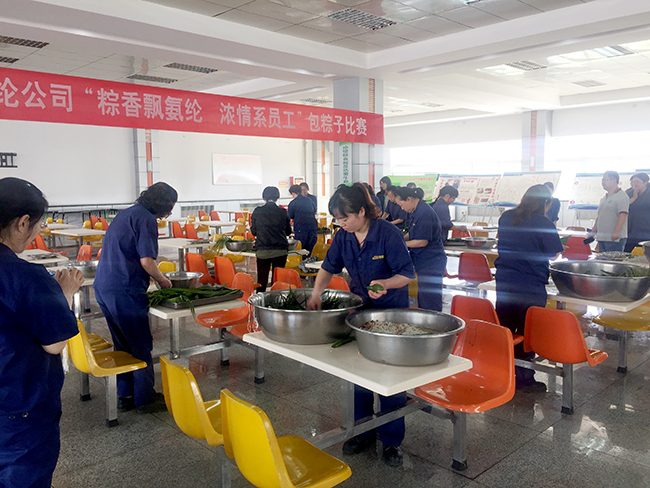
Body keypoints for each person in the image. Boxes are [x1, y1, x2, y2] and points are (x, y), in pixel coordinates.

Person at [306, 183, 415, 467]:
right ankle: (363, 432)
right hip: (361, 313)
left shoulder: (387, 233)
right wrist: (316, 293)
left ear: (362, 212)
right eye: (337, 219)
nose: (340, 223)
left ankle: (391, 441)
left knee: (389, 376)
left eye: (345, 218)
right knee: (359, 374)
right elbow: (328, 267)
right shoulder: (343, 236)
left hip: (390, 314)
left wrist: (386, 284)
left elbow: (407, 274)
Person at [0, 177, 84, 488]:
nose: (38, 231)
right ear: (22, 223)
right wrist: (65, 293)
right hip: (18, 407)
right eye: (38, 224)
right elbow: (55, 343)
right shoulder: (26, 276)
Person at [93, 182, 177, 414]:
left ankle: (125, 395)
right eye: (170, 207)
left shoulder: (127, 214)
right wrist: (162, 280)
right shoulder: (146, 219)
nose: (168, 213)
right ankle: (145, 398)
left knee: (123, 343)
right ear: (164, 205)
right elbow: (147, 261)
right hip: (124, 289)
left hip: (105, 286)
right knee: (140, 344)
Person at [494, 184, 563, 392]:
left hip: (505, 281)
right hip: (530, 283)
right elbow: (553, 254)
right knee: (527, 332)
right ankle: (524, 379)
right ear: (546, 202)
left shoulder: (506, 217)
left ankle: (502, 374)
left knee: (505, 329)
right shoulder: (542, 221)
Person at [394, 186, 447, 311]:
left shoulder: (424, 213)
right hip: (423, 261)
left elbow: (422, 242)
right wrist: (399, 240)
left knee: (430, 300)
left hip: (431, 262)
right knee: (423, 297)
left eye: (401, 205)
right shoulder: (416, 211)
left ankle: (435, 322)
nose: (402, 209)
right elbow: (412, 233)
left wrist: (401, 245)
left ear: (409, 199)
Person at [251, 186, 292, 292]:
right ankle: (276, 299)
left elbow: (253, 232)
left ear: (264, 197)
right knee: (278, 281)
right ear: (277, 197)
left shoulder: (257, 211)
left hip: (263, 251)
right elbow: (288, 232)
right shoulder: (283, 212)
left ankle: (260, 300)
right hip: (280, 251)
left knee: (262, 281)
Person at [589, 171, 629, 252]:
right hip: (602, 237)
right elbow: (600, 216)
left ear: (614, 180)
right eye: (602, 180)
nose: (603, 182)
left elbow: (623, 215)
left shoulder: (622, 196)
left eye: (605, 180)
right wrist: (593, 231)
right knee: (602, 259)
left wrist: (616, 231)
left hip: (614, 239)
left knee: (613, 260)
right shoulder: (604, 197)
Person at [288, 184, 318, 255]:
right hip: (312, 227)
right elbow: (314, 210)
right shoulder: (309, 200)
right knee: (311, 249)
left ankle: (304, 261)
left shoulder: (293, 203)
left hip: (301, 229)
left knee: (302, 251)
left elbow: (290, 216)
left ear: (292, 193)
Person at [624, 172, 650, 253]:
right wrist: (633, 198)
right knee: (626, 253)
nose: (634, 184)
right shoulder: (629, 193)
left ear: (645, 182)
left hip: (646, 231)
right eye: (633, 181)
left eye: (637, 181)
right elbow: (622, 206)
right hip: (630, 231)